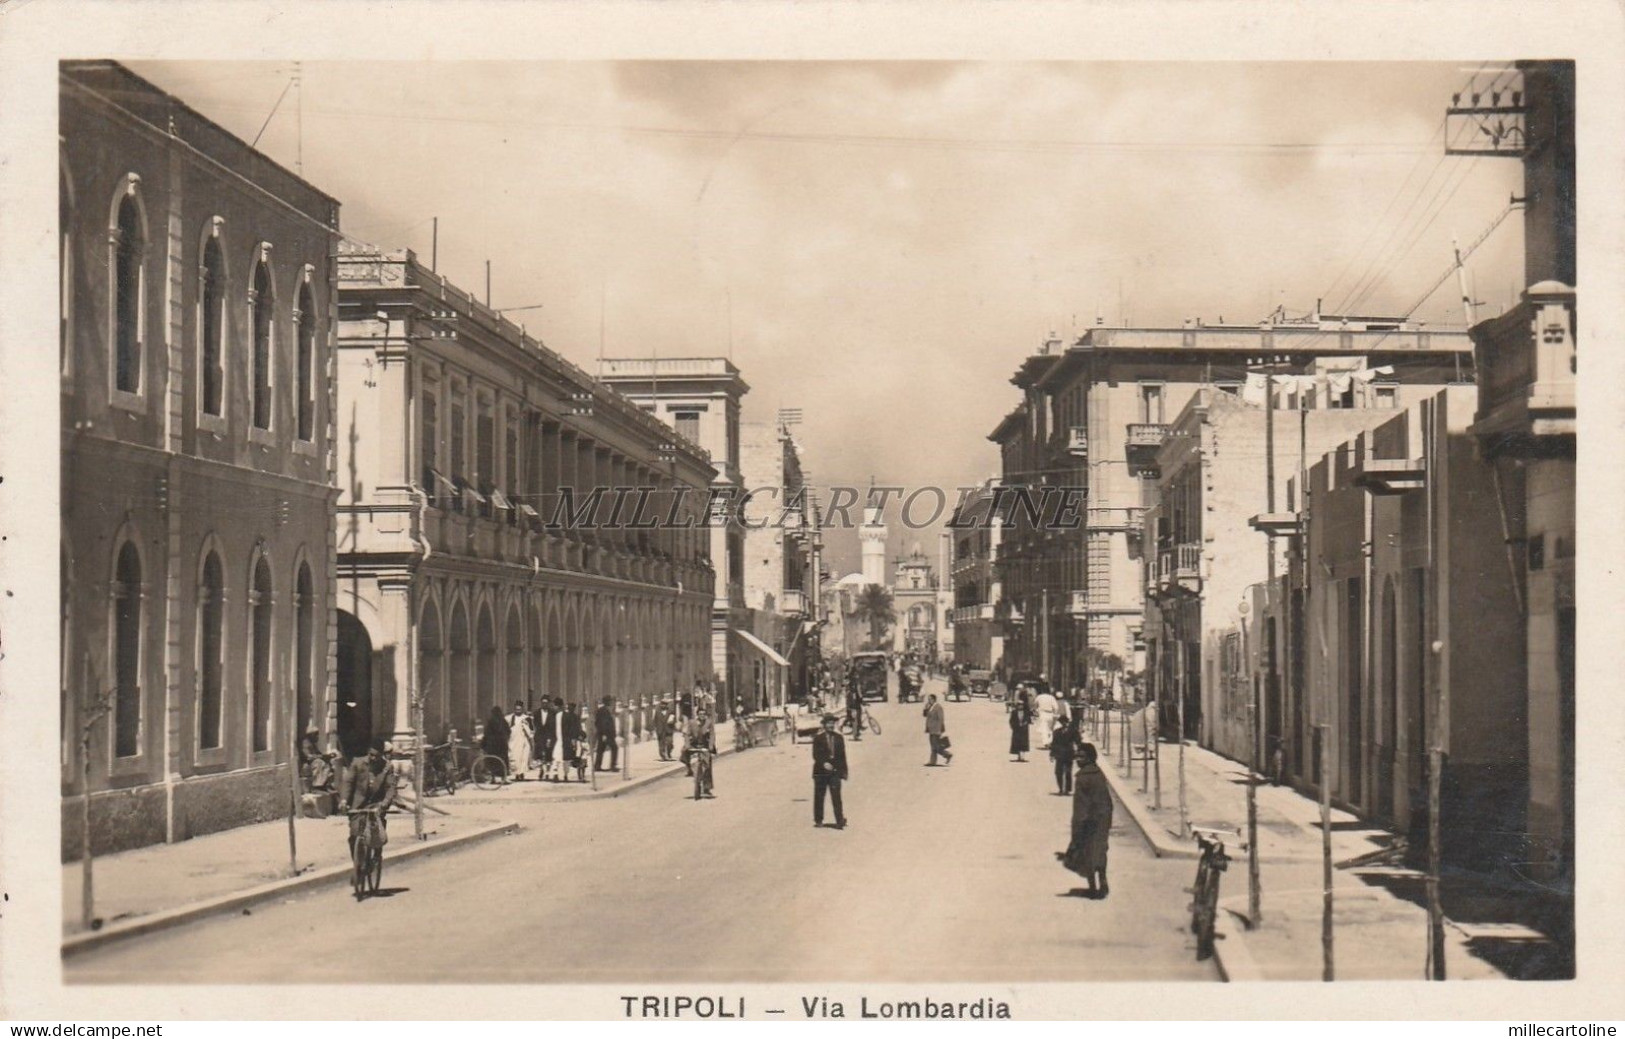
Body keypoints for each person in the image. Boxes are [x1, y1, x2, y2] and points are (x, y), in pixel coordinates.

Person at [1060, 742, 1113, 898]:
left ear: (1089, 757)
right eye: (1077, 756)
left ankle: (1093, 887)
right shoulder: (1099, 773)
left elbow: (1081, 807)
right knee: (1101, 851)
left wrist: (1076, 829)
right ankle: (1103, 881)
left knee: (1087, 853)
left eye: (1081, 757)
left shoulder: (1082, 778)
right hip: (1103, 818)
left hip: (1088, 822)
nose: (1077, 759)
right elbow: (1107, 800)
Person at [339, 739, 398, 856]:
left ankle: (376, 856)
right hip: (358, 805)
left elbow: (390, 788)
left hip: (377, 805)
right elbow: (348, 782)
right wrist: (344, 800)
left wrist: (385, 803)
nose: (373, 758)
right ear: (368, 752)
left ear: (381, 755)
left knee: (377, 835)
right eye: (371, 755)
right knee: (354, 834)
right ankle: (358, 866)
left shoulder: (387, 767)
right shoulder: (357, 763)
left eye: (376, 756)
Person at [810, 713, 848, 828]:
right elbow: (815, 754)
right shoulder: (818, 738)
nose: (831, 725)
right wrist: (823, 763)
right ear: (824, 725)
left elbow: (842, 756)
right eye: (828, 723)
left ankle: (839, 820)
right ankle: (818, 820)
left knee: (836, 796)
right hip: (820, 772)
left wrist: (844, 771)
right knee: (819, 796)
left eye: (832, 723)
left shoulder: (839, 738)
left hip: (835, 771)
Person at [684, 709, 717, 796]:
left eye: (703, 714)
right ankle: (689, 769)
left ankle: (707, 787)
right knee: (684, 754)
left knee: (707, 766)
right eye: (700, 714)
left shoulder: (709, 723)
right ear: (697, 715)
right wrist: (687, 745)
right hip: (694, 745)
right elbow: (687, 734)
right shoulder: (692, 723)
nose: (702, 716)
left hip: (705, 746)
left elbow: (712, 735)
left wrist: (710, 746)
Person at [1050, 715, 1080, 795]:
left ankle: (1067, 789)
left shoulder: (1073, 731)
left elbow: (1078, 741)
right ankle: (1060, 789)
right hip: (1059, 754)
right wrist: (1052, 754)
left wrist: (1078, 753)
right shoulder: (1056, 732)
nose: (1064, 723)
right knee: (1058, 772)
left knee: (1068, 772)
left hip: (1069, 754)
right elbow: (1054, 743)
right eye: (1062, 722)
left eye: (1065, 722)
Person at [506, 700, 535, 781]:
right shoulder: (510, 718)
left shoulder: (526, 718)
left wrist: (531, 740)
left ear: (522, 709)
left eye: (519, 709)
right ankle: (517, 773)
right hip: (513, 741)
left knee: (523, 758)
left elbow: (531, 731)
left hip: (524, 741)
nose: (517, 711)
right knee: (515, 757)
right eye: (516, 709)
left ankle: (521, 773)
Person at [923, 693, 952, 766]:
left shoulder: (938, 707)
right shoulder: (930, 707)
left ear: (933, 699)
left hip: (936, 729)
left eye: (930, 699)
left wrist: (940, 730)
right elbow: (925, 715)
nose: (929, 701)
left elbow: (941, 719)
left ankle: (947, 754)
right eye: (928, 699)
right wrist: (926, 708)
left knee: (935, 746)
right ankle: (933, 761)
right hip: (931, 729)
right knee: (933, 746)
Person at [482, 704, 510, 778]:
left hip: (492, 746)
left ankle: (493, 778)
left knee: (492, 761)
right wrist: (505, 739)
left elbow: (486, 733)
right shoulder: (503, 720)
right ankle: (503, 778)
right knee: (502, 761)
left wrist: (484, 743)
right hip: (502, 745)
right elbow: (508, 731)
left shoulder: (490, 721)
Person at [594, 696, 619, 772]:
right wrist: (604, 734)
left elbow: (597, 723)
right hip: (606, 734)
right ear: (607, 702)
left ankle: (597, 766)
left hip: (604, 734)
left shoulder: (603, 710)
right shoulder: (604, 711)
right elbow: (603, 723)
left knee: (600, 750)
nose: (611, 702)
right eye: (610, 701)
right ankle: (613, 766)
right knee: (614, 748)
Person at [1033, 686, 1059, 750]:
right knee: (1051, 729)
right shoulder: (1052, 697)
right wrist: (1055, 714)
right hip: (1050, 713)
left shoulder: (1039, 697)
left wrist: (1036, 711)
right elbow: (1056, 707)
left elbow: (1035, 705)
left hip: (1042, 713)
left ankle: (1046, 743)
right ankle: (1050, 741)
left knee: (1044, 729)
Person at [1009, 689, 1032, 762]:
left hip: (1024, 730)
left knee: (1024, 743)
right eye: (1019, 705)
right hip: (1017, 730)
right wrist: (1013, 727)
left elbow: (1028, 720)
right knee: (1017, 743)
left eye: (1021, 705)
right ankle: (1019, 756)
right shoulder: (1014, 712)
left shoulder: (1026, 712)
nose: (1020, 706)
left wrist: (1025, 723)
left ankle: (1022, 757)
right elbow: (1011, 721)